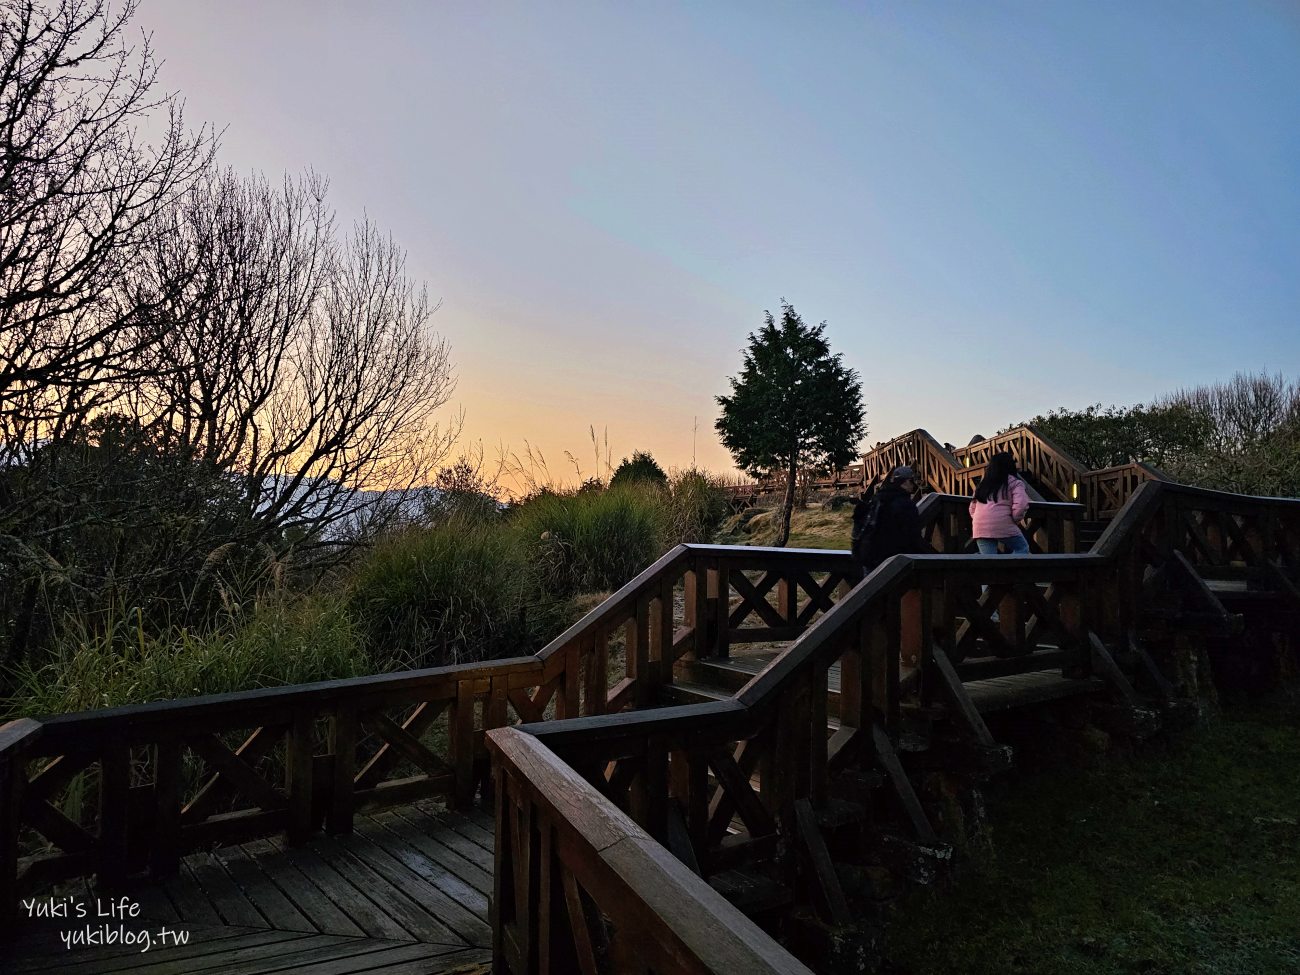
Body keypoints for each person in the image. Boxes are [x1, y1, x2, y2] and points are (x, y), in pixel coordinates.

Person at [853, 465, 925, 571]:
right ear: (906, 482)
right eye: (912, 481)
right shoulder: (905, 504)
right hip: (893, 563)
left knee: (871, 587)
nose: (914, 485)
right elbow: (912, 535)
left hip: (870, 558)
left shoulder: (878, 498)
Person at [969, 451, 1030, 554]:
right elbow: (1021, 505)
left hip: (980, 526)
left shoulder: (983, 484)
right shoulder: (1015, 483)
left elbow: (972, 507)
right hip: (1003, 524)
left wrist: (978, 519)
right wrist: (1015, 519)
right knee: (1022, 548)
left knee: (988, 561)